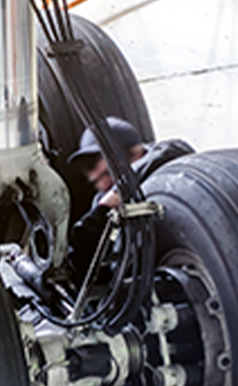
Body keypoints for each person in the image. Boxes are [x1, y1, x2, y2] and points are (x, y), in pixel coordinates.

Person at [66, 117, 194, 275]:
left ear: (136, 156)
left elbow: (176, 148)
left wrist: (121, 190)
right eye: (95, 181)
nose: (102, 185)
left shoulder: (164, 163)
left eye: (107, 174)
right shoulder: (101, 203)